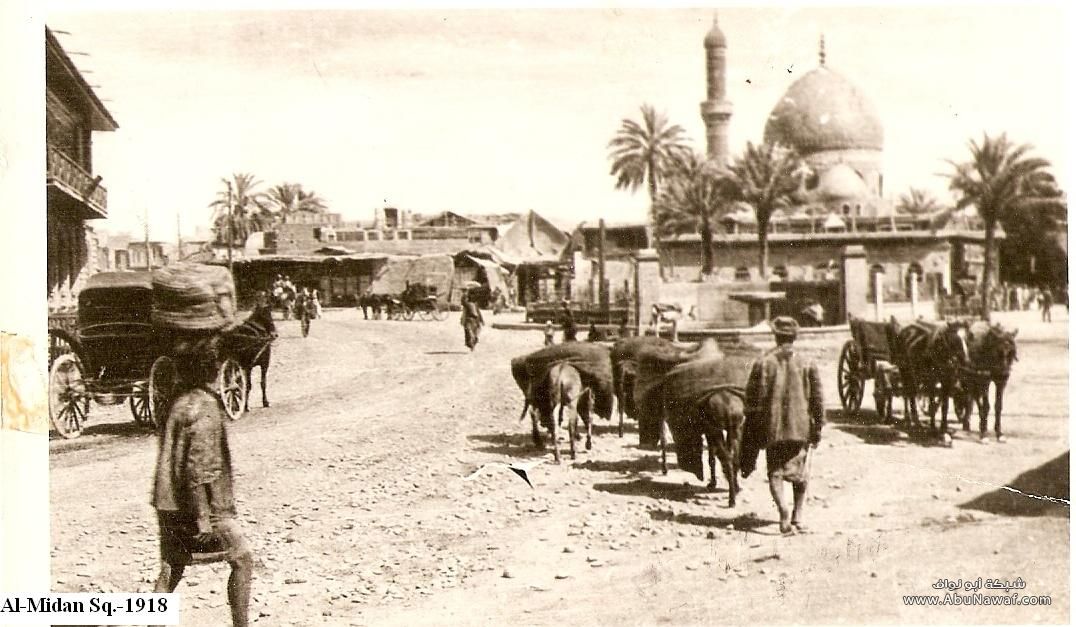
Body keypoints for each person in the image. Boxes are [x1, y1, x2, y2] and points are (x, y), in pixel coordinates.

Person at [152, 334, 252, 626]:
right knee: (243, 559)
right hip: (202, 508)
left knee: (171, 569)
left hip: (168, 503)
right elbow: (197, 469)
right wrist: (203, 518)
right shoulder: (205, 405)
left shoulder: (176, 401)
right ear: (208, 368)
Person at [740, 316, 824, 536]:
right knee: (801, 473)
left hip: (773, 428)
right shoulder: (807, 361)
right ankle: (798, 516)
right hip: (800, 427)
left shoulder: (763, 362)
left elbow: (751, 400)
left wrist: (755, 427)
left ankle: (783, 512)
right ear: (795, 337)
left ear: (775, 336)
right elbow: (818, 398)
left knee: (775, 472)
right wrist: (818, 427)